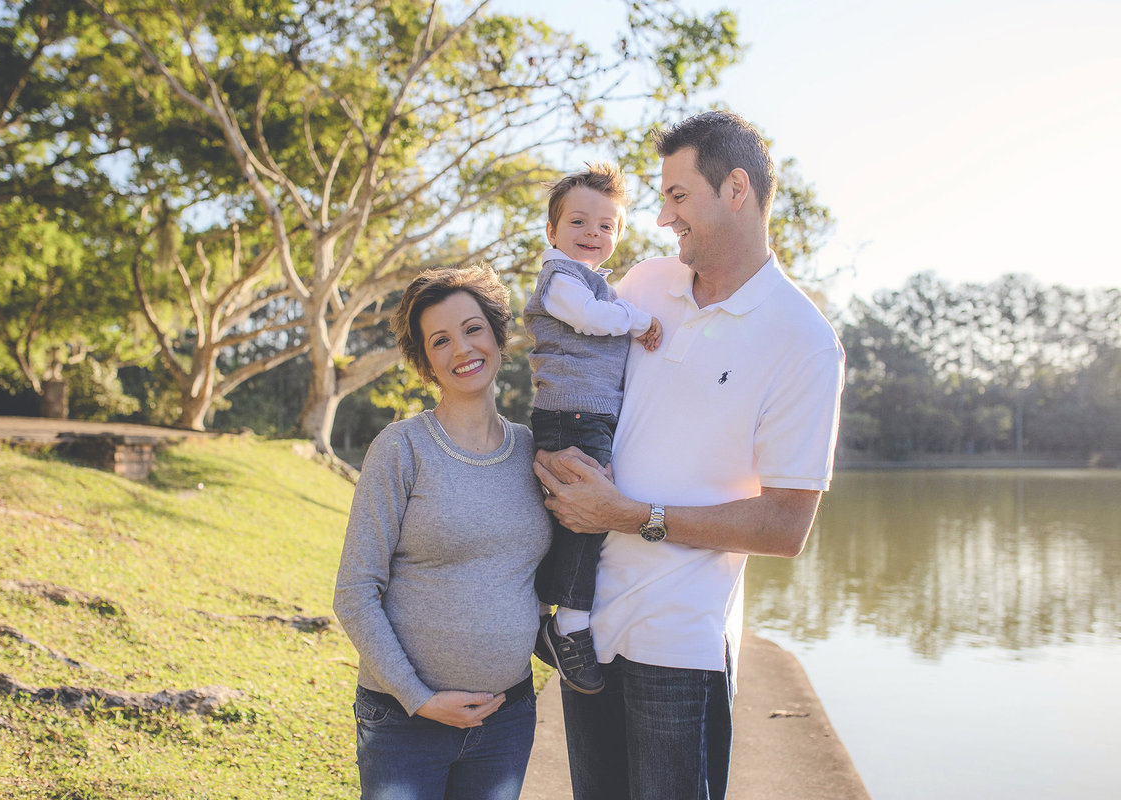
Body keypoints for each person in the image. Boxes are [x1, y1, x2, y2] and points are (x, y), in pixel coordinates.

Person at [533, 111, 845, 800]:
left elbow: (786, 526)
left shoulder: (804, 341)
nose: (663, 215)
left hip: (680, 643)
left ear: (735, 189)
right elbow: (567, 380)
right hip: (587, 626)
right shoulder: (642, 285)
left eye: (677, 196)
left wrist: (629, 514)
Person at [332, 265, 553, 800]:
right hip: (404, 724)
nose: (462, 349)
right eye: (441, 340)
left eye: (473, 329)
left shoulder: (533, 451)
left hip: (505, 719)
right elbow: (355, 592)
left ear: (498, 336)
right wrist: (419, 698)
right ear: (425, 361)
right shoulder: (402, 448)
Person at [522, 163, 661, 695]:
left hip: (586, 412)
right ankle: (569, 626)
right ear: (553, 231)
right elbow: (586, 318)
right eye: (579, 222)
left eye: (606, 227)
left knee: (573, 514)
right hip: (572, 413)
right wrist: (639, 320)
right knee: (590, 515)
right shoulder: (561, 280)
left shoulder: (595, 283)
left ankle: (540, 616)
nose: (593, 235)